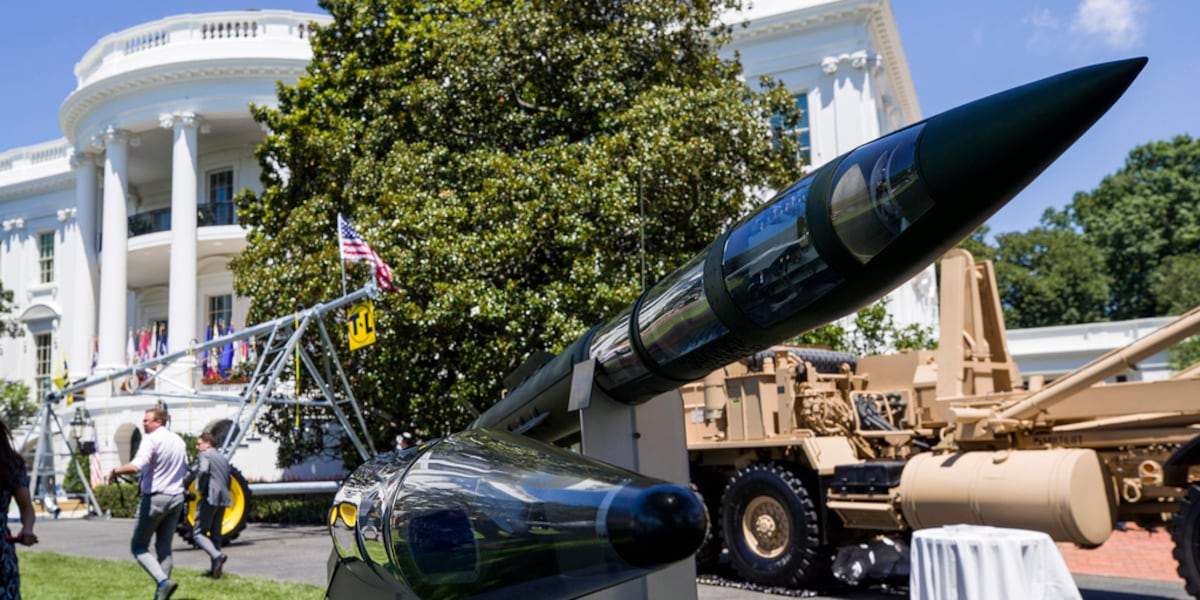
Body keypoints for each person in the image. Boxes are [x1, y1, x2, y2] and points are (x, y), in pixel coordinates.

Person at [111, 408, 187, 600]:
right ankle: (161, 596)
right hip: (176, 497)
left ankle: (163, 582)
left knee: (138, 546)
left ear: (159, 422)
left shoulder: (151, 439)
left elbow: (137, 465)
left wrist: (116, 471)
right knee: (164, 548)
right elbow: (183, 467)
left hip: (155, 498)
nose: (144, 424)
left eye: (147, 421)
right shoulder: (178, 440)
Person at [0, 418, 37, 600]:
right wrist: (27, 528)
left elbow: (26, 508)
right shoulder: (12, 463)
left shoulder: (10, 463)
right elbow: (27, 508)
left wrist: (27, 529)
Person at [192, 432, 231, 578]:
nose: (197, 447)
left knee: (197, 533)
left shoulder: (206, 454)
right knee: (215, 533)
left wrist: (200, 488)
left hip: (210, 496)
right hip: (223, 497)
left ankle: (217, 556)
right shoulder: (222, 457)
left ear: (208, 444)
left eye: (199, 443)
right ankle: (215, 570)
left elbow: (203, 470)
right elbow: (228, 476)